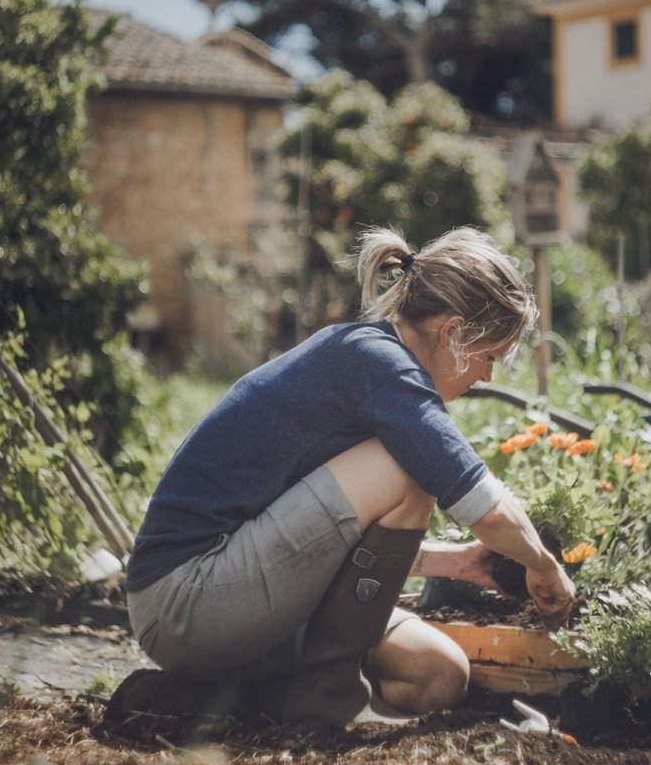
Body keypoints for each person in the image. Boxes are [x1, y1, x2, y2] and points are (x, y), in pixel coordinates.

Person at [108, 226, 575, 724]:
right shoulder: (379, 365)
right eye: (489, 358)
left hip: (237, 594)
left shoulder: (371, 363)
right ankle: (328, 697)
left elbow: (314, 542)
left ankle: (215, 702)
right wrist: (545, 566)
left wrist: (461, 563)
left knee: (438, 674)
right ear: (453, 331)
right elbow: (483, 504)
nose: (485, 375)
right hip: (185, 602)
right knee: (409, 468)